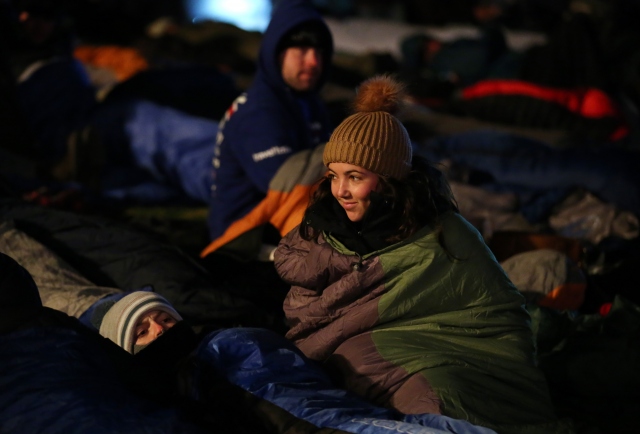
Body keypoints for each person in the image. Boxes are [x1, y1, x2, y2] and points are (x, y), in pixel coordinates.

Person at [273, 75, 570, 433]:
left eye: (355, 177)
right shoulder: (318, 232)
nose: (340, 190)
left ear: (387, 177)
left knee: (443, 400)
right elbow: (309, 305)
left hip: (459, 352)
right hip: (370, 346)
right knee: (369, 368)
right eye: (334, 176)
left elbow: (497, 312)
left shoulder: (443, 231)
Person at [208, 0, 334, 242]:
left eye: (319, 52)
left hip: (278, 228)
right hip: (242, 241)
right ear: (276, 53)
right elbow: (290, 190)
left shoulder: (308, 101)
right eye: (301, 50)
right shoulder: (258, 112)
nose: (313, 62)